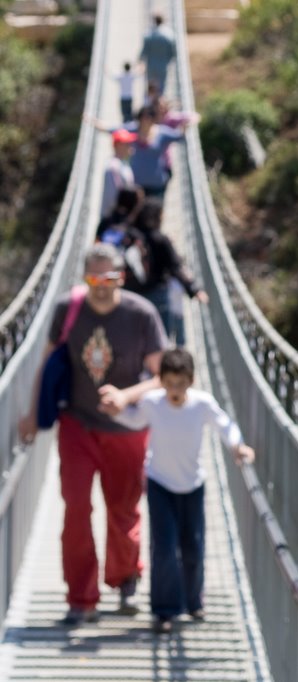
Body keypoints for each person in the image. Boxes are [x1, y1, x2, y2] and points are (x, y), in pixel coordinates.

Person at [18, 243, 167, 626]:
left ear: (123, 276)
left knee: (123, 509)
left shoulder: (142, 314)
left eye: (111, 278)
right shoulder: (68, 309)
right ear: (85, 278)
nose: (102, 286)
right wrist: (34, 414)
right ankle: (80, 598)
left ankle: (125, 579)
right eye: (94, 278)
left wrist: (126, 396)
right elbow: (46, 364)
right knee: (77, 508)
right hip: (77, 425)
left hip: (127, 430)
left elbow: (162, 376)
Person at [108, 348, 255, 634]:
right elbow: (134, 420)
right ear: (161, 380)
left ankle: (193, 600)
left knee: (193, 547)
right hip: (160, 484)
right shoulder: (152, 403)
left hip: (192, 485)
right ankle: (164, 609)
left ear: (192, 380)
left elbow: (225, 426)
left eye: (182, 383)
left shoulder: (202, 404)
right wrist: (115, 412)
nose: (175, 390)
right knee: (163, 548)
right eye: (170, 383)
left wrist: (238, 447)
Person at [127, 198, 209, 333]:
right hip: (157, 296)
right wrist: (194, 290)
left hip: (131, 295)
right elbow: (175, 267)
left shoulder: (129, 236)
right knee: (159, 340)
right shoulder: (160, 240)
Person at [100, 129, 136, 218]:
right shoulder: (113, 167)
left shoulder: (123, 163)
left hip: (122, 215)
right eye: (127, 144)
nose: (130, 147)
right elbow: (112, 195)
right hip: (114, 218)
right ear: (118, 146)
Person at [138, 13, 176, 96]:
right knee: (162, 85)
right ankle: (159, 102)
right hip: (163, 65)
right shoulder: (168, 35)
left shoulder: (149, 34)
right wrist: (168, 61)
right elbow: (172, 52)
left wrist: (140, 60)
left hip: (151, 65)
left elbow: (145, 50)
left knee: (151, 85)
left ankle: (151, 103)